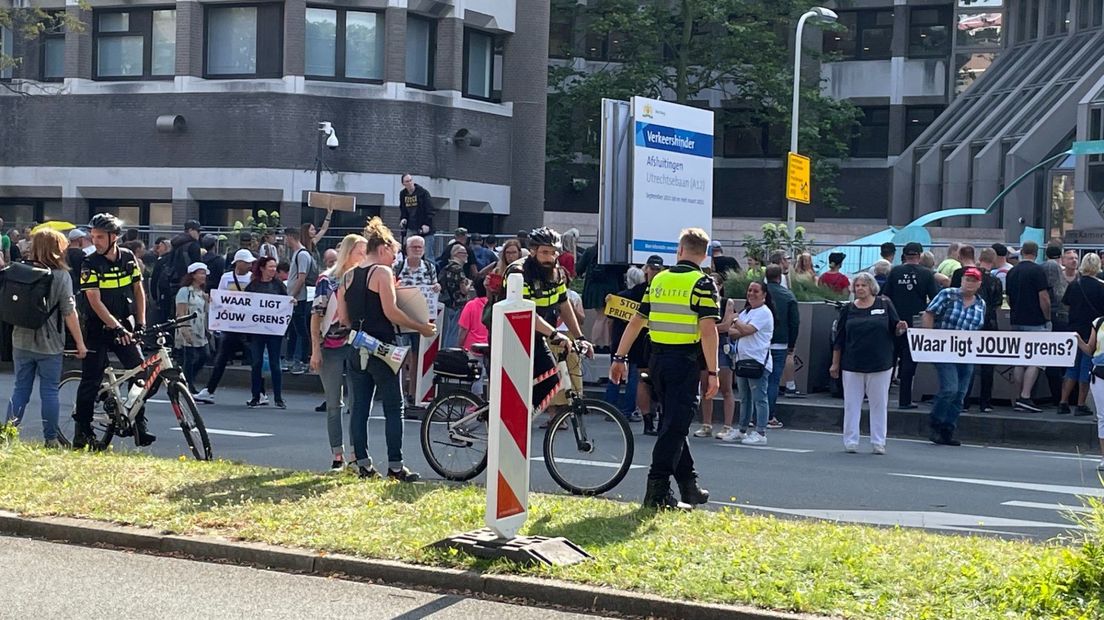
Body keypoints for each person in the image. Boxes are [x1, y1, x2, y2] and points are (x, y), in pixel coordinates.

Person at [611, 228, 717, 509]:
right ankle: (656, 491)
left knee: (673, 423)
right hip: (684, 363)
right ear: (704, 255)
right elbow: (709, 332)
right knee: (674, 427)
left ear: (679, 251)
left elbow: (636, 322)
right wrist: (714, 373)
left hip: (657, 361)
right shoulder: (703, 284)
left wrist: (619, 358)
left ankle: (688, 485)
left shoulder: (657, 281)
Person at [336, 217, 435, 481]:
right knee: (394, 406)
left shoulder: (348, 275)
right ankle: (395, 465)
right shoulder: (381, 272)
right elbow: (391, 312)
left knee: (360, 408)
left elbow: (343, 318)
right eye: (393, 252)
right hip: (383, 348)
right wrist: (421, 327)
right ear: (382, 249)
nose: (395, 257)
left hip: (356, 346)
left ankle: (363, 465)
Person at [74, 214, 155, 449]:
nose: (95, 241)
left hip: (124, 326)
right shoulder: (89, 263)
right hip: (98, 328)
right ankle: (82, 431)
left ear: (114, 237)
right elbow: (94, 301)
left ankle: (139, 422)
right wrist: (115, 326)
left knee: (140, 372)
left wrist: (140, 323)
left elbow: (139, 290)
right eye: (92, 236)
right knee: (91, 378)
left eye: (99, 237)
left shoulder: (128, 258)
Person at [3, 228, 88, 447]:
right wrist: (79, 343)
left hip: (20, 338)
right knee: (50, 391)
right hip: (50, 343)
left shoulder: (19, 270)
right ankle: (50, 439)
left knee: (20, 389)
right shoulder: (61, 276)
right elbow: (69, 312)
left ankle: (7, 436)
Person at [505, 228, 592, 427]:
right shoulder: (519, 273)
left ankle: (517, 422)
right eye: (545, 252)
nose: (550, 257)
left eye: (554, 252)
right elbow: (526, 312)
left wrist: (579, 337)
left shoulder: (557, 273)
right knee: (513, 386)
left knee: (551, 382)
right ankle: (504, 423)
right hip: (510, 335)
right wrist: (554, 334)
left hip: (536, 335)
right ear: (533, 251)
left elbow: (564, 305)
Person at [830, 273, 907, 454]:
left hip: (880, 362)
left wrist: (900, 328)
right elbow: (839, 338)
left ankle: (878, 441)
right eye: (857, 286)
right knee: (851, 403)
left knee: (879, 403)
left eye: (864, 285)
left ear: (871, 287)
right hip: (852, 363)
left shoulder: (885, 304)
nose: (860, 289)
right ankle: (850, 440)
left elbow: (895, 329)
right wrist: (835, 363)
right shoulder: (848, 309)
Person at [310, 234, 366, 472]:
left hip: (354, 344)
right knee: (334, 402)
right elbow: (316, 315)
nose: (364, 256)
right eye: (360, 252)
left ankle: (356, 454)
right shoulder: (328, 279)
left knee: (358, 402)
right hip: (330, 346)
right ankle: (337, 455)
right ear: (348, 252)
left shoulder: (364, 277)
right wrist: (315, 350)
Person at [923, 267, 987, 446]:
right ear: (962, 280)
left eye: (974, 280)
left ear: (979, 284)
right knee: (950, 388)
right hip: (944, 349)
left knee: (960, 394)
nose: (969, 283)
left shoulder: (981, 304)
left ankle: (948, 430)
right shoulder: (948, 294)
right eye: (967, 279)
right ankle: (936, 422)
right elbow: (929, 313)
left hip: (966, 354)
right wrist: (928, 339)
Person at [195, 250, 257, 405]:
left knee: (250, 359)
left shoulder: (252, 278)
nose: (250, 265)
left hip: (247, 325)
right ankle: (210, 390)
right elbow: (220, 298)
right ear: (238, 263)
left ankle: (259, 392)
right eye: (247, 262)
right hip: (230, 324)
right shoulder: (226, 277)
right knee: (225, 358)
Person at [883, 242, 940, 409]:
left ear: (904, 255)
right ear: (920, 255)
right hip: (915, 322)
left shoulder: (895, 271)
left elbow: (885, 296)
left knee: (889, 360)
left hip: (893, 321)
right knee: (909, 361)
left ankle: (880, 396)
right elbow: (935, 299)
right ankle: (905, 399)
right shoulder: (927, 274)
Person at [954, 247, 1003, 413]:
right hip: (989, 325)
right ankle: (985, 403)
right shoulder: (995, 281)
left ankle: (964, 400)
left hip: (968, 325)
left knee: (967, 363)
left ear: (979, 258)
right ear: (994, 260)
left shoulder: (963, 275)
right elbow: (997, 304)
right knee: (988, 365)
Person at [394, 235, 440, 403]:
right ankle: (401, 391)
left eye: (420, 247)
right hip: (400, 318)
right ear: (407, 249)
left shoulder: (429, 267)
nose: (417, 250)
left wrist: (436, 287)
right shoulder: (397, 267)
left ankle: (413, 393)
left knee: (416, 356)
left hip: (420, 319)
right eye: (414, 247)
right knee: (401, 356)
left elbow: (434, 287)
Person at [728, 281, 774, 445]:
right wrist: (740, 327)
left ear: (764, 295)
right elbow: (733, 332)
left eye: (756, 291)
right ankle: (742, 429)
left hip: (758, 361)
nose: (751, 294)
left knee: (759, 398)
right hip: (742, 360)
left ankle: (761, 432)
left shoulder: (764, 312)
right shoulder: (747, 312)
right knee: (745, 398)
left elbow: (747, 330)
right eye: (749, 290)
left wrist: (736, 321)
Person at [1006, 241, 1050, 413]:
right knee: (1035, 359)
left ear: (1022, 252)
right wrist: (1047, 318)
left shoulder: (1012, 271)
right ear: (1036, 253)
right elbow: (1044, 298)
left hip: (1016, 319)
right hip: (1035, 320)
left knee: (1019, 360)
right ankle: (1025, 396)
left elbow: (1008, 298)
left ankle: (1018, 396)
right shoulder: (1038, 271)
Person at [605, 261, 651, 424]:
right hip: (637, 342)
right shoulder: (646, 297)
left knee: (614, 376)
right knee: (633, 378)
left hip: (619, 341)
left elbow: (610, 320)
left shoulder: (620, 297)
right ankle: (627, 410)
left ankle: (609, 409)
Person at [1059, 253, 1104, 417]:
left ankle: (1063, 402)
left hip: (1073, 330)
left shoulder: (1074, 284)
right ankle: (1080, 404)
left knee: (1071, 368)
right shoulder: (1101, 286)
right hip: (1091, 331)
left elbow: (1066, 305)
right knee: (1086, 369)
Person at [244, 256, 288, 408]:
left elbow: (285, 302)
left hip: (274, 331)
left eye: (275, 267)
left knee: (276, 364)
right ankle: (256, 396)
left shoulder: (279, 285)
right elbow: (243, 304)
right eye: (270, 267)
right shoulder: (253, 285)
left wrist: (291, 303)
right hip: (257, 331)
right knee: (256, 363)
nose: (273, 270)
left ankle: (278, 397)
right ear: (262, 268)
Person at [696, 273, 736, 439]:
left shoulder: (727, 302)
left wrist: (708, 329)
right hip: (704, 343)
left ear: (720, 286)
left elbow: (726, 325)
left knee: (726, 387)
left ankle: (727, 425)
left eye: (714, 283)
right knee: (706, 387)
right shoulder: (702, 301)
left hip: (722, 345)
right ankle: (707, 424)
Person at [763, 264, 798, 430]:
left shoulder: (759, 292)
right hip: (780, 343)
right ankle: (769, 416)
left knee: (758, 381)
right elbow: (794, 322)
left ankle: (754, 416)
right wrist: (791, 344)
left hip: (760, 342)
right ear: (780, 277)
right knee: (773, 381)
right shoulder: (788, 295)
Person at [1073, 317, 1104, 471]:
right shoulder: (1098, 322)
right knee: (1103, 417)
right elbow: (1089, 349)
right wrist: (1078, 340)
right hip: (1100, 373)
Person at [284, 227, 316, 375]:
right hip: (295, 298)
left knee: (300, 329)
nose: (284, 241)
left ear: (290, 237)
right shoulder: (298, 254)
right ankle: (292, 359)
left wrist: (293, 295)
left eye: (285, 238)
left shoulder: (302, 255)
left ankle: (302, 360)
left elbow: (301, 277)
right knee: (294, 330)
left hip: (298, 299)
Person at [175, 263, 210, 395]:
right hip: (188, 328)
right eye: (200, 273)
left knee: (203, 356)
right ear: (193, 275)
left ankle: (186, 379)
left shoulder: (202, 293)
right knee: (189, 358)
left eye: (204, 273)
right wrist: (184, 329)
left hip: (200, 329)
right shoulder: (185, 291)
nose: (203, 276)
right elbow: (181, 311)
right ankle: (188, 384)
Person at [457, 279, 490, 394]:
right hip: (489, 346)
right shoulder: (492, 305)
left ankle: (476, 402)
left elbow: (463, 330)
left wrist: (459, 345)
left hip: (472, 348)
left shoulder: (470, 305)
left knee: (477, 377)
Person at [438, 242, 471, 350]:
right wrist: (469, 284)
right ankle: (451, 353)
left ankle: (445, 351)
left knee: (449, 331)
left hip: (448, 303)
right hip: (459, 304)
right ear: (456, 254)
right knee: (455, 332)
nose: (466, 255)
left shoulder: (446, 268)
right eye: (463, 253)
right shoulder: (458, 269)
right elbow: (464, 290)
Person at [398, 174, 435, 252]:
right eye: (407, 181)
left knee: (428, 253)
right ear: (403, 184)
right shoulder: (403, 194)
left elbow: (430, 209)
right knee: (408, 250)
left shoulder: (423, 193)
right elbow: (403, 209)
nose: (410, 183)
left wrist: (427, 224)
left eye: (411, 180)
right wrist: (403, 218)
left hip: (424, 227)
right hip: (411, 227)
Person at [65, 228, 91, 293]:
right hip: (78, 288)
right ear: (79, 239)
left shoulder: (63, 253)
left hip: (67, 286)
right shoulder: (82, 254)